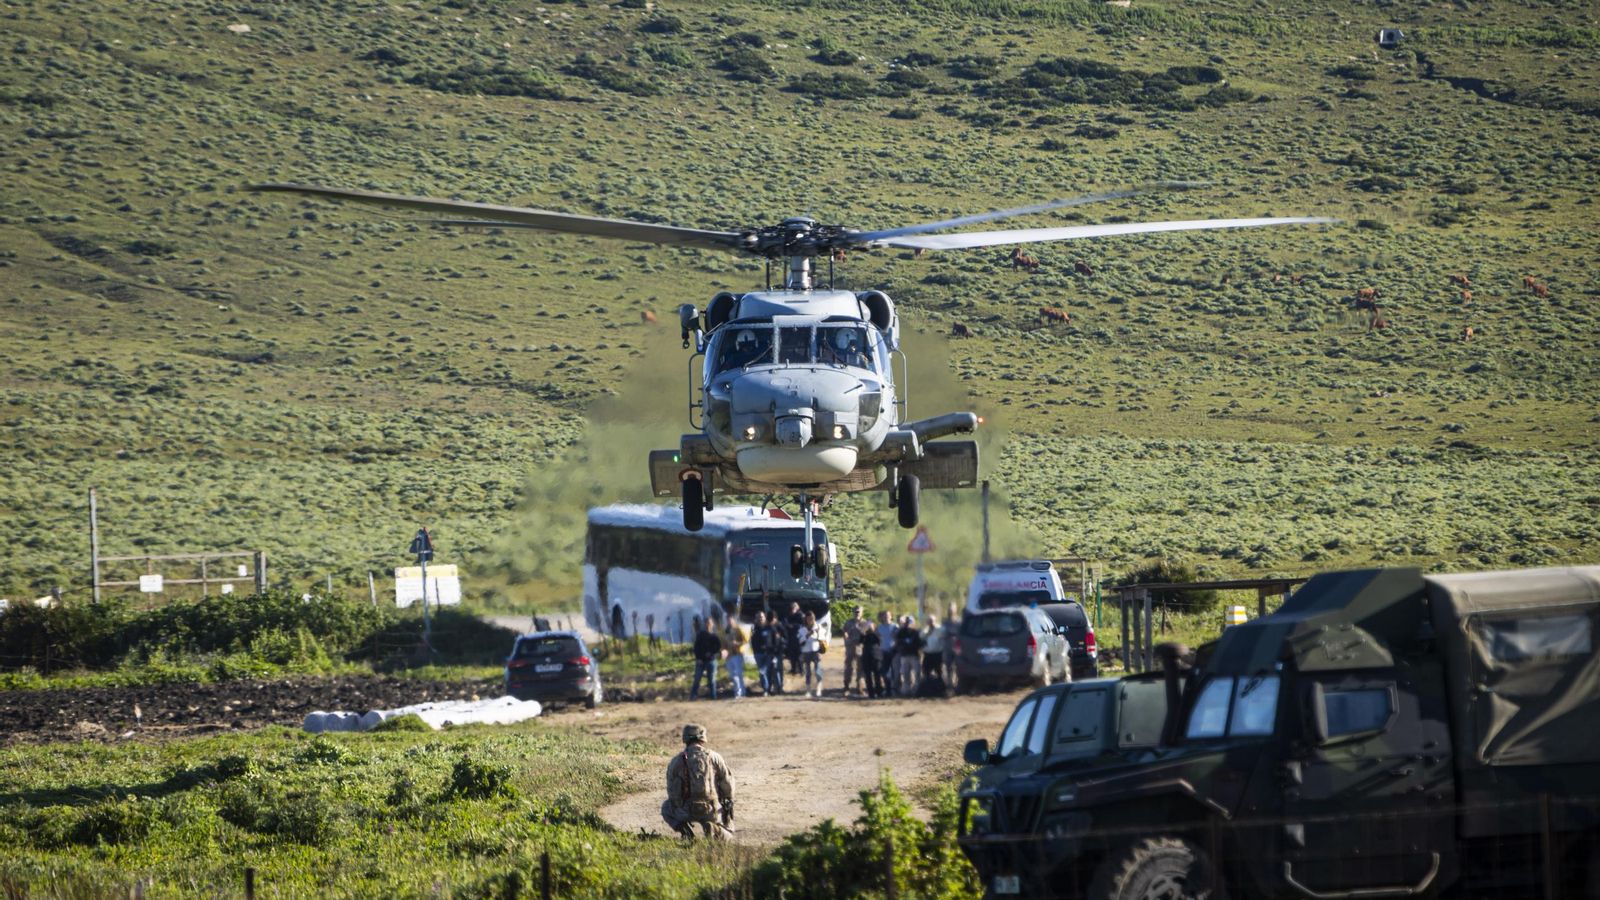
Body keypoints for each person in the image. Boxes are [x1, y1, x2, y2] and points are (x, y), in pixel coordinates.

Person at [661, 723, 735, 840]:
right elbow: (727, 783)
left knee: (665, 807)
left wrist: (679, 804)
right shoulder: (715, 757)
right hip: (712, 810)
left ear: (685, 738)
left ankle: (685, 831)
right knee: (729, 832)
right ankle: (717, 830)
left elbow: (671, 790)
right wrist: (727, 801)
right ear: (703, 738)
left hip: (685, 810)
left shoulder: (676, 761)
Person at [690, 619, 722, 700]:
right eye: (707, 623)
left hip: (711, 660)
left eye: (710, 623)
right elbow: (696, 647)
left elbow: (718, 647)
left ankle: (713, 697)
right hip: (701, 661)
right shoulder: (700, 635)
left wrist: (711, 653)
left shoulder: (715, 636)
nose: (708, 624)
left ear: (712, 624)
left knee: (711, 680)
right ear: (705, 624)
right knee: (697, 679)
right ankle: (693, 697)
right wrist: (698, 658)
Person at [894, 614, 923, 697]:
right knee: (906, 675)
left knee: (917, 674)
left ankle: (917, 691)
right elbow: (897, 642)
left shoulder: (916, 632)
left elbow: (920, 644)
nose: (908, 624)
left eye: (910, 622)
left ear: (913, 622)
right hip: (904, 656)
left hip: (914, 656)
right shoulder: (901, 632)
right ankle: (906, 691)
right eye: (907, 622)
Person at [841, 606, 868, 695]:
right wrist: (847, 639)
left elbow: (867, 635)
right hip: (850, 647)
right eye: (855, 612)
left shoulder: (865, 623)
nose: (857, 613)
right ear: (853, 612)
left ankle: (860, 687)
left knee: (861, 669)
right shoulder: (848, 623)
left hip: (861, 648)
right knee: (849, 668)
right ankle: (846, 687)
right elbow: (844, 633)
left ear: (862, 612)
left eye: (859, 612)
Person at [723, 615, 752, 699]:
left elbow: (746, 641)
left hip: (737, 654)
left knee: (738, 674)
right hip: (729, 655)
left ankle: (742, 692)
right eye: (728, 620)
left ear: (734, 621)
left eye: (730, 620)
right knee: (733, 675)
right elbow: (724, 643)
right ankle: (737, 692)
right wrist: (724, 650)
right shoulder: (726, 631)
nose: (729, 622)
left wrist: (737, 643)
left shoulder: (738, 629)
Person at [798, 611, 824, 698]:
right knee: (808, 672)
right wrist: (808, 635)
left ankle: (819, 688)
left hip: (816, 652)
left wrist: (820, 652)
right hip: (806, 652)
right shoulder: (802, 629)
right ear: (806, 619)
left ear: (814, 618)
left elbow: (822, 640)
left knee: (817, 671)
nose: (810, 620)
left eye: (812, 619)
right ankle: (808, 690)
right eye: (808, 619)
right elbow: (800, 641)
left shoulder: (819, 627)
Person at [920, 613, 946, 696]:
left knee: (939, 672)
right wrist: (928, 632)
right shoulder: (925, 630)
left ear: (935, 621)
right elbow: (921, 637)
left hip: (937, 654)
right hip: (927, 654)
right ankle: (928, 690)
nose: (931, 622)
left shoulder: (941, 629)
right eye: (929, 621)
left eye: (932, 621)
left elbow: (943, 638)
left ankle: (942, 690)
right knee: (926, 672)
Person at [751, 611, 776, 695]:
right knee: (762, 672)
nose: (760, 618)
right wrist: (754, 652)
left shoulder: (770, 627)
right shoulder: (754, 629)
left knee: (768, 671)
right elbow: (752, 641)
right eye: (759, 617)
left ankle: (769, 689)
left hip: (768, 653)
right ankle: (765, 689)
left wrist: (774, 650)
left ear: (765, 618)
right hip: (758, 654)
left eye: (762, 616)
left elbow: (775, 639)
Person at [875, 610, 899, 696]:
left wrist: (895, 647)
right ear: (882, 617)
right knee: (885, 671)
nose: (886, 617)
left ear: (891, 616)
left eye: (888, 615)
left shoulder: (895, 626)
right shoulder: (879, 627)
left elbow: (898, 639)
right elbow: (877, 638)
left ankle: (895, 689)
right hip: (883, 652)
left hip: (893, 652)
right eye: (884, 615)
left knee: (895, 671)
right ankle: (887, 689)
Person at [860, 621, 884, 699]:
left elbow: (880, 641)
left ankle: (879, 692)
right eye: (868, 626)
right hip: (866, 657)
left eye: (871, 626)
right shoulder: (864, 635)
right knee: (868, 676)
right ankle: (871, 693)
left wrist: (873, 631)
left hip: (876, 657)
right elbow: (860, 641)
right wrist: (863, 631)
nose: (869, 627)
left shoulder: (876, 634)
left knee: (877, 675)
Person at [783, 601, 804, 676]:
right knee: (792, 656)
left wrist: (793, 626)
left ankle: (801, 670)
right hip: (790, 638)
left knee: (799, 655)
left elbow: (802, 625)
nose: (792, 609)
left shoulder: (800, 615)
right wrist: (788, 626)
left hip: (798, 637)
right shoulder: (788, 615)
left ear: (797, 608)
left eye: (794, 608)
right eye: (791, 608)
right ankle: (793, 670)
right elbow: (785, 624)